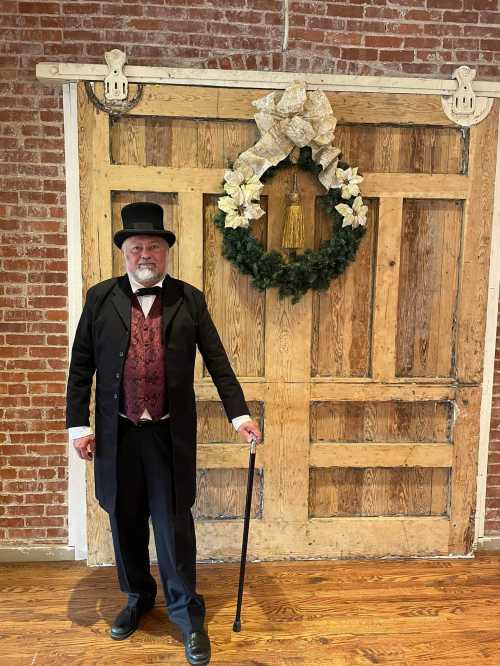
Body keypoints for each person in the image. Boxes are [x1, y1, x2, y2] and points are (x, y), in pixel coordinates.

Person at [65, 201, 262, 666]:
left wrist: (240, 416)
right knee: (124, 520)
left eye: (153, 245)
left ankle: (186, 614)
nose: (145, 254)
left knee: (173, 523)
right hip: (118, 435)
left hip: (169, 436)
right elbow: (81, 368)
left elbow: (217, 361)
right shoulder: (100, 298)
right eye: (136, 247)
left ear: (166, 251)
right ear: (125, 253)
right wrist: (80, 425)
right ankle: (137, 598)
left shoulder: (188, 299)